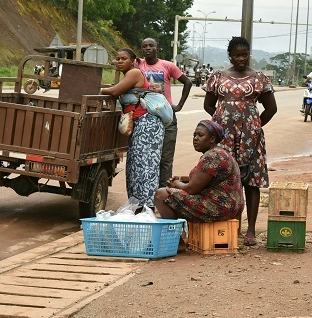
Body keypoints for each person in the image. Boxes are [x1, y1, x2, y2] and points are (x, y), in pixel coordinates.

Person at [203, 36, 277, 247]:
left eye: (244, 54)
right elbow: (209, 105)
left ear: (249, 54)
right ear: (230, 56)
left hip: (251, 137)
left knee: (251, 180)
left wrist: (254, 125)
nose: (241, 59)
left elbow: (271, 108)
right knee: (223, 178)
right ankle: (229, 225)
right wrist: (221, 122)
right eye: (237, 55)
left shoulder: (259, 78)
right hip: (223, 137)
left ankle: (250, 230)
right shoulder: (217, 77)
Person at [101, 48, 164, 209]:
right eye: (117, 58)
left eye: (124, 58)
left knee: (146, 166)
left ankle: (147, 207)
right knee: (134, 166)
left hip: (147, 124)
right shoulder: (127, 75)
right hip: (139, 125)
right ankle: (137, 206)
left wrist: (101, 89)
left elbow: (115, 91)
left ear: (133, 61)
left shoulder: (134, 73)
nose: (119, 61)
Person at [154, 120, 244, 224]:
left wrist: (176, 184)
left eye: (200, 135)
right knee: (175, 197)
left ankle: (177, 239)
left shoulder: (212, 156)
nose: (195, 138)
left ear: (212, 139)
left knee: (161, 195)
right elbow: (209, 177)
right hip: (231, 207)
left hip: (220, 208)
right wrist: (182, 179)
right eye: (194, 135)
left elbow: (192, 189)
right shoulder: (220, 153)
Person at [137, 38, 193, 188]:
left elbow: (188, 82)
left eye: (151, 46)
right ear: (141, 50)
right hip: (145, 118)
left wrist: (179, 105)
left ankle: (163, 195)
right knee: (147, 158)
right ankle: (148, 194)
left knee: (165, 159)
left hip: (167, 118)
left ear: (157, 48)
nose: (148, 48)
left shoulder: (167, 66)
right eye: (144, 46)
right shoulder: (137, 65)